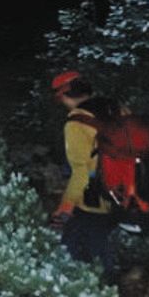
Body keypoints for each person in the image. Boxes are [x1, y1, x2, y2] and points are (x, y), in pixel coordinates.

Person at [50, 70, 121, 283]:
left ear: (64, 95)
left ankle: (102, 287)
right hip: (125, 189)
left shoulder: (76, 123)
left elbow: (81, 173)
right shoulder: (116, 107)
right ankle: (110, 277)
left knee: (72, 242)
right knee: (103, 237)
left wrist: (64, 209)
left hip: (96, 196)